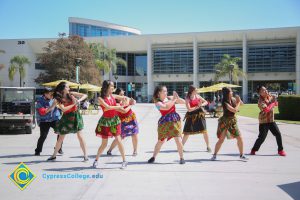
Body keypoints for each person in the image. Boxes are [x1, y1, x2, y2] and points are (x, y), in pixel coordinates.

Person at [93, 80, 131, 169]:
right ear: (106, 87)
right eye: (112, 86)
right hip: (105, 122)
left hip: (115, 120)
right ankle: (96, 160)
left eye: (113, 86)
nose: (113, 88)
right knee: (104, 144)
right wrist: (120, 106)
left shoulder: (113, 96)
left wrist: (127, 101)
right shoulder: (100, 98)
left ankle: (124, 161)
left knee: (118, 139)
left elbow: (125, 98)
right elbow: (108, 107)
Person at [47, 82, 88, 162]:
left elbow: (85, 95)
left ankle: (85, 155)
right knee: (61, 138)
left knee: (80, 137)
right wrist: (74, 104)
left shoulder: (71, 93)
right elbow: (64, 109)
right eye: (67, 87)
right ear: (63, 89)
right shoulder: (58, 99)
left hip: (76, 116)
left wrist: (79, 100)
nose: (69, 88)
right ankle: (54, 155)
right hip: (66, 118)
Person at [148, 85, 186, 164]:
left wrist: (177, 98)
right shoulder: (157, 102)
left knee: (178, 139)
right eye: (164, 91)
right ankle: (153, 157)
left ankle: (182, 158)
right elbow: (166, 107)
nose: (166, 92)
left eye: (166, 91)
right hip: (164, 122)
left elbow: (183, 102)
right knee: (161, 141)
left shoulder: (169, 98)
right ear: (159, 93)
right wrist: (174, 99)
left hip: (174, 120)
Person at [211, 87, 248, 161]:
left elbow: (242, 104)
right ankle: (214, 155)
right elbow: (234, 110)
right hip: (225, 122)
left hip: (232, 121)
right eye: (231, 92)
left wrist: (239, 100)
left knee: (239, 137)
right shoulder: (224, 102)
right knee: (221, 140)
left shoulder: (233, 99)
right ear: (227, 93)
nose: (232, 93)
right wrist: (238, 103)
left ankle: (241, 155)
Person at [250, 85, 286, 156]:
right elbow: (267, 109)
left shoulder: (270, 96)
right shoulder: (260, 101)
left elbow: (276, 103)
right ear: (260, 93)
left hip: (271, 120)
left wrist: (275, 101)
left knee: (278, 134)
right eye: (263, 90)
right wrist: (273, 103)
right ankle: (254, 149)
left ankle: (280, 150)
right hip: (264, 122)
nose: (266, 91)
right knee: (262, 138)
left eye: (266, 89)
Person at [107, 88, 139, 156]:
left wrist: (133, 101)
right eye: (121, 94)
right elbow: (124, 111)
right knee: (120, 137)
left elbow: (134, 101)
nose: (123, 96)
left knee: (134, 134)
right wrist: (130, 105)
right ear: (117, 95)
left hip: (131, 118)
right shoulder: (115, 104)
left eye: (123, 94)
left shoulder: (126, 99)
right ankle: (110, 150)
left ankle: (135, 150)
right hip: (122, 120)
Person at [182, 85, 211, 152]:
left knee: (204, 131)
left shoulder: (197, 96)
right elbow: (189, 109)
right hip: (191, 116)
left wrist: (201, 105)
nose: (197, 91)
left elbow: (206, 102)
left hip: (199, 115)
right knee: (187, 132)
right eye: (196, 90)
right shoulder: (187, 98)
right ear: (192, 91)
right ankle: (181, 146)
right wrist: (198, 106)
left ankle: (208, 146)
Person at [35, 88, 63, 156]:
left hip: (54, 119)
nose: (52, 95)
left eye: (52, 94)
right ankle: (38, 150)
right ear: (45, 94)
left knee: (61, 133)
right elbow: (42, 112)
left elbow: (63, 105)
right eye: (50, 94)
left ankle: (58, 148)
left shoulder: (55, 98)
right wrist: (53, 106)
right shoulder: (40, 101)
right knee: (43, 136)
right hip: (44, 120)